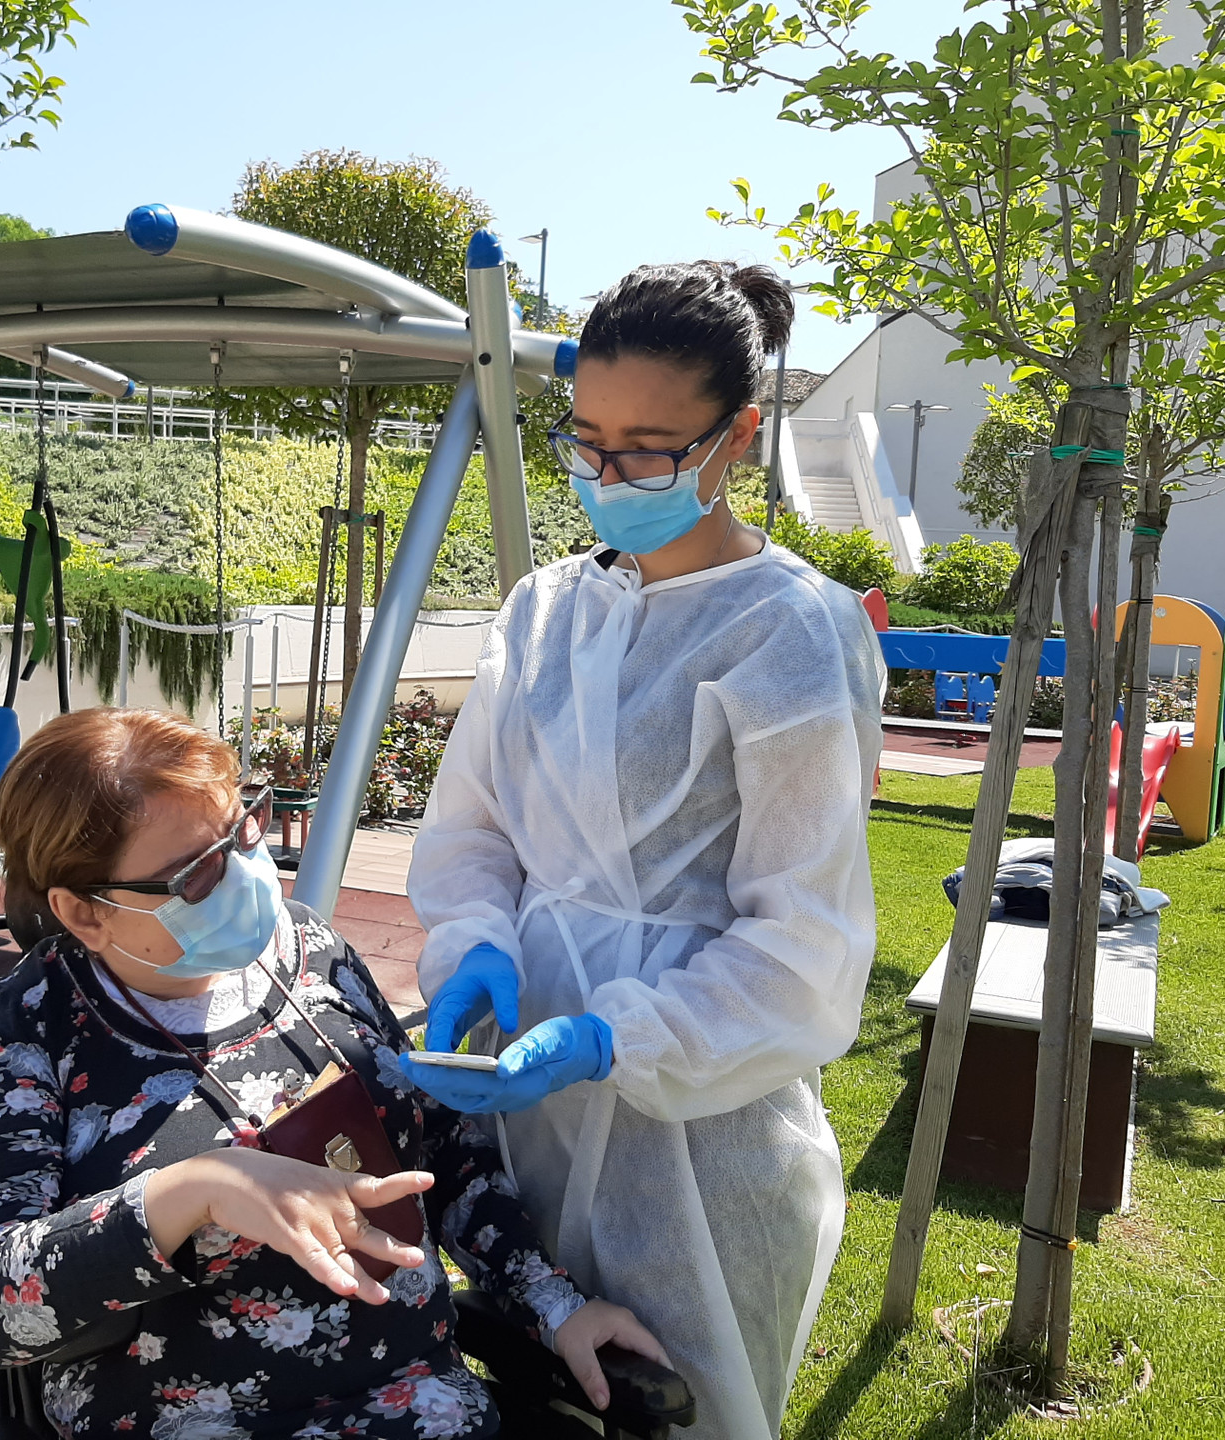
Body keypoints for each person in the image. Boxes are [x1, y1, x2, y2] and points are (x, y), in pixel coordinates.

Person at [403, 260, 884, 1440]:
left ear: (738, 438)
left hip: (701, 1141)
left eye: (650, 451)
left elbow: (806, 940)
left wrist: (620, 1038)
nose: (608, 478)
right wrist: (474, 943)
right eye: (588, 443)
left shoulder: (791, 632)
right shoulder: (544, 609)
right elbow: (474, 825)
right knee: (530, 1389)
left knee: (684, 1405)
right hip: (525, 1109)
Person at [0, 707, 667, 1440]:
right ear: (86, 914)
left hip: (425, 1410)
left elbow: (439, 1148)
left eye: (243, 828)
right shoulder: (27, 1038)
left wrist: (555, 1305)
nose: (246, 876)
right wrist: (191, 1193)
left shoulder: (308, 949)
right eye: (196, 875)